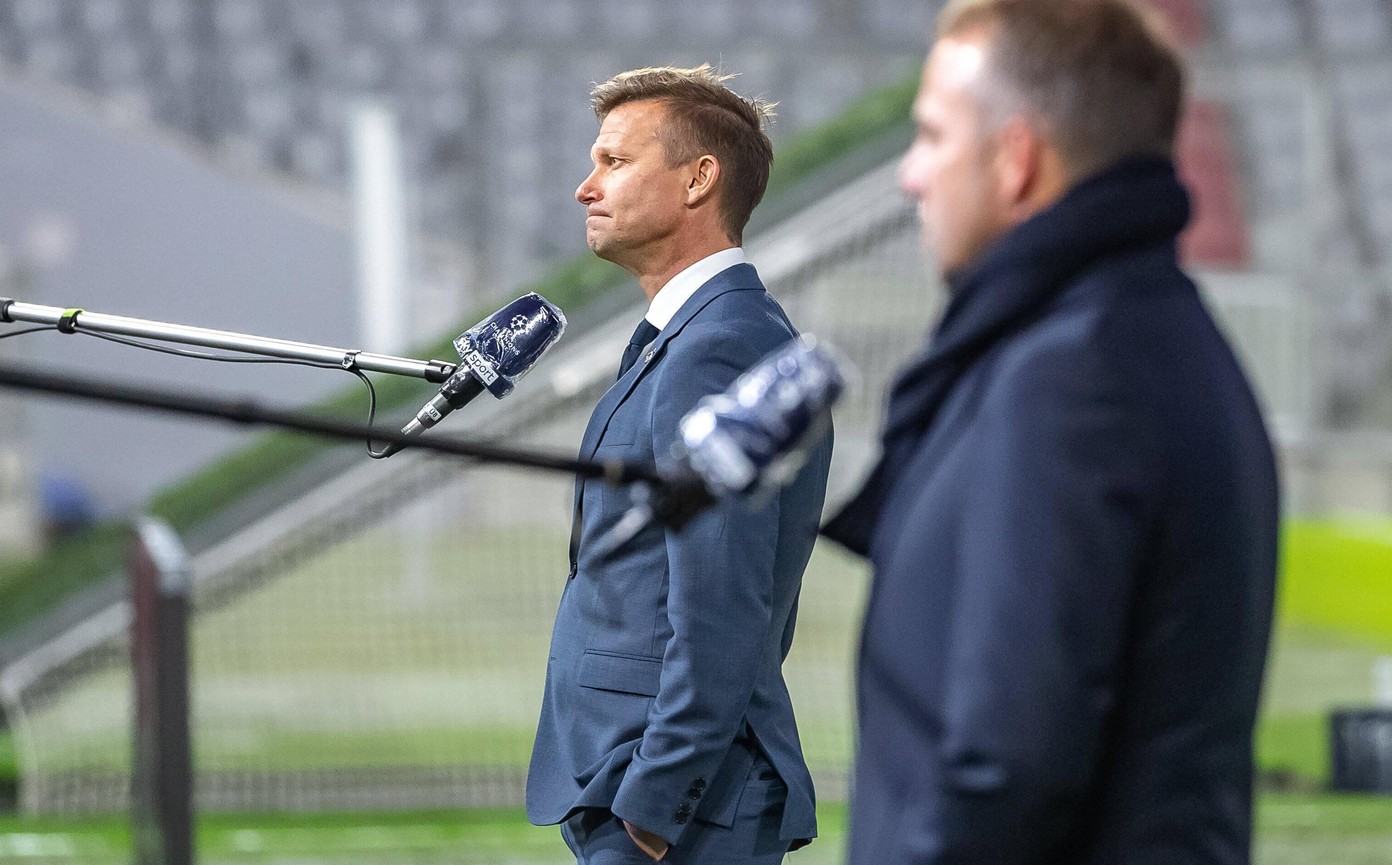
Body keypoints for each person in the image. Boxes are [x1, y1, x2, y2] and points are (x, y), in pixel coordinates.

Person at [820, 2, 1280, 863]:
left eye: (930, 135)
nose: (911, 176)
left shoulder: (1072, 377)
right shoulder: (1138, 336)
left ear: (1017, 161)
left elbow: (1008, 769)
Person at [526, 65, 833, 864]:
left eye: (614, 162)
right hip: (630, 781)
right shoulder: (701, 335)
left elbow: (723, 600)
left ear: (699, 180)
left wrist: (654, 807)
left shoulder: (720, 344)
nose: (585, 188)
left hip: (672, 801)